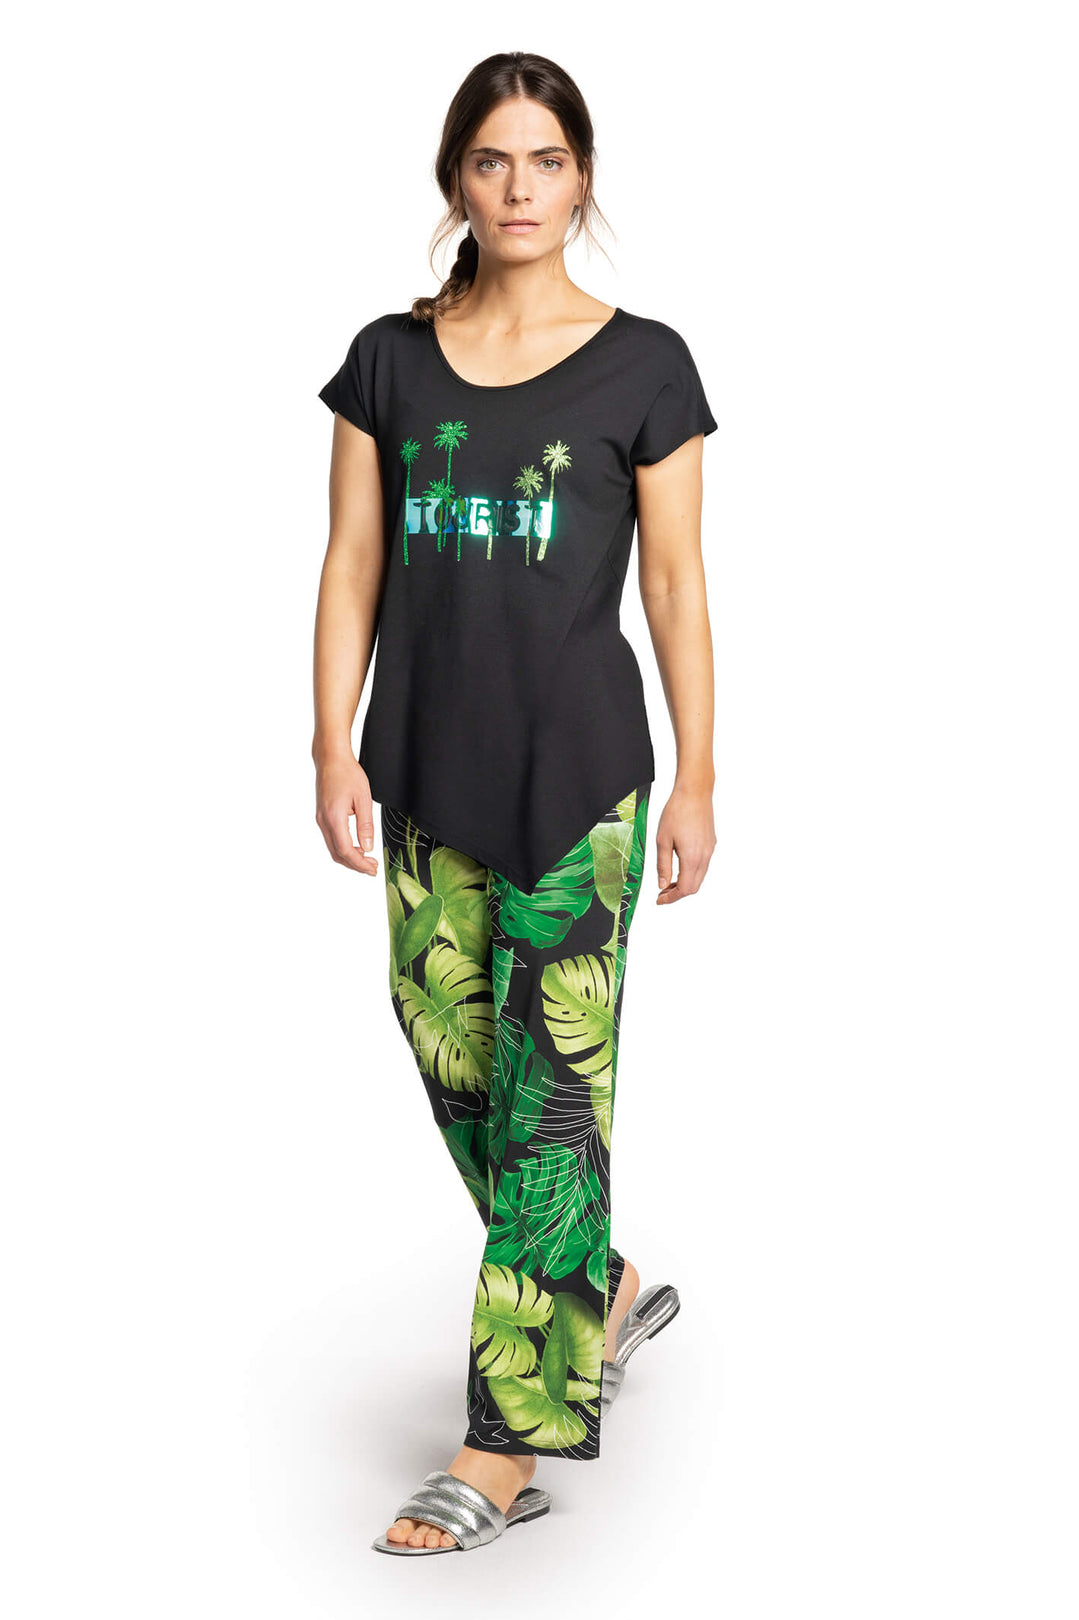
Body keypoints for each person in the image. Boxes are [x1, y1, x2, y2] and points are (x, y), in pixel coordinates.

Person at [312, 50, 718, 1557]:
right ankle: (591, 1284)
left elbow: (674, 585)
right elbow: (353, 561)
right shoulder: (389, 361)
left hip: (579, 786)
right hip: (424, 770)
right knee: (455, 1060)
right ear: (457, 182)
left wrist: (699, 775)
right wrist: (330, 744)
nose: (521, 188)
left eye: (547, 160)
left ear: (582, 177)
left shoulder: (645, 366)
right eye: (493, 161)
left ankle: (500, 1449)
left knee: (548, 1109)